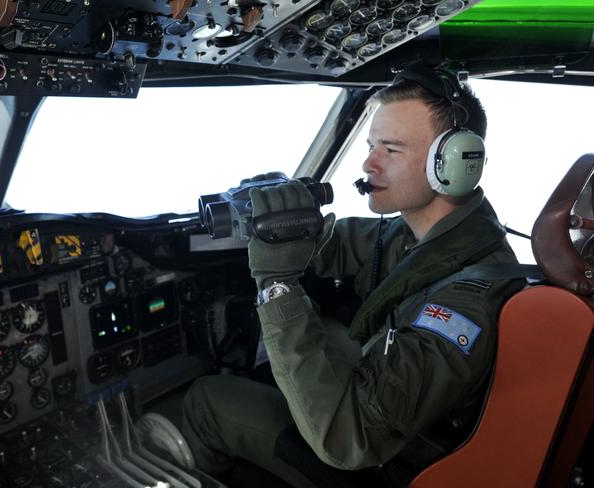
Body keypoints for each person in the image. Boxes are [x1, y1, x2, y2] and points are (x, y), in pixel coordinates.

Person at [182, 62, 524, 487]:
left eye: (390, 149)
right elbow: (340, 247)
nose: (368, 163)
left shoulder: (465, 301)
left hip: (394, 465)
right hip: (395, 415)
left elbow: (352, 439)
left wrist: (277, 285)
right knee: (319, 330)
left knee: (208, 399)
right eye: (370, 145)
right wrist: (289, 219)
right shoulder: (425, 235)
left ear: (454, 164)